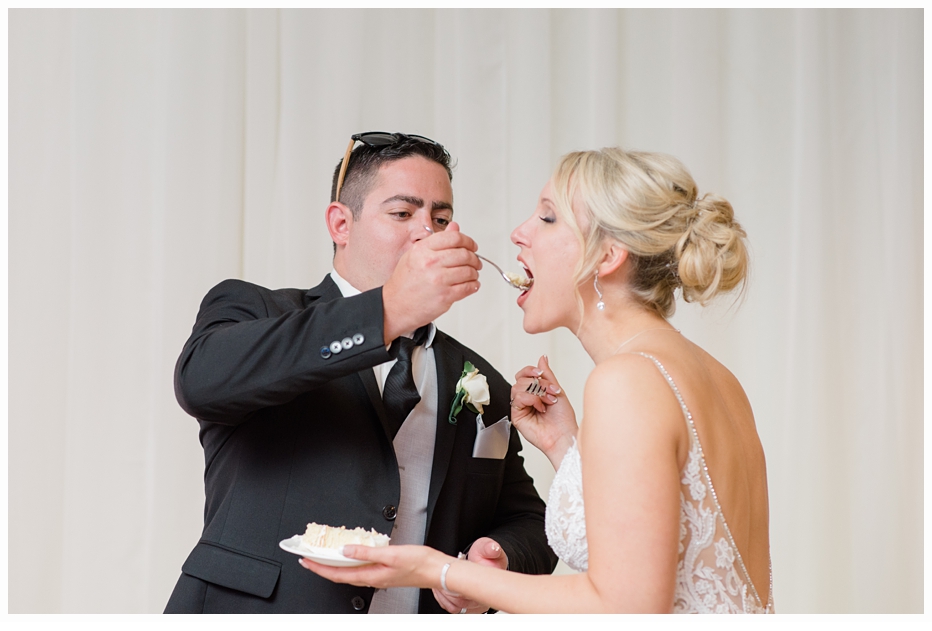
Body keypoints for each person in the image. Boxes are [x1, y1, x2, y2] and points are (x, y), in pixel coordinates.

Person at [301, 147, 775, 614]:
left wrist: (435, 570)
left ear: (607, 255)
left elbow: (627, 606)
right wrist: (565, 445)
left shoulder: (626, 381)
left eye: (547, 218)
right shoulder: (711, 375)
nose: (519, 233)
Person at [164, 132, 557, 614]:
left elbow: (529, 521)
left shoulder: (482, 382)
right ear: (340, 224)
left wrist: (495, 559)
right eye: (401, 214)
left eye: (441, 218)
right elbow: (201, 381)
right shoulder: (255, 310)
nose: (426, 233)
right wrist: (387, 311)